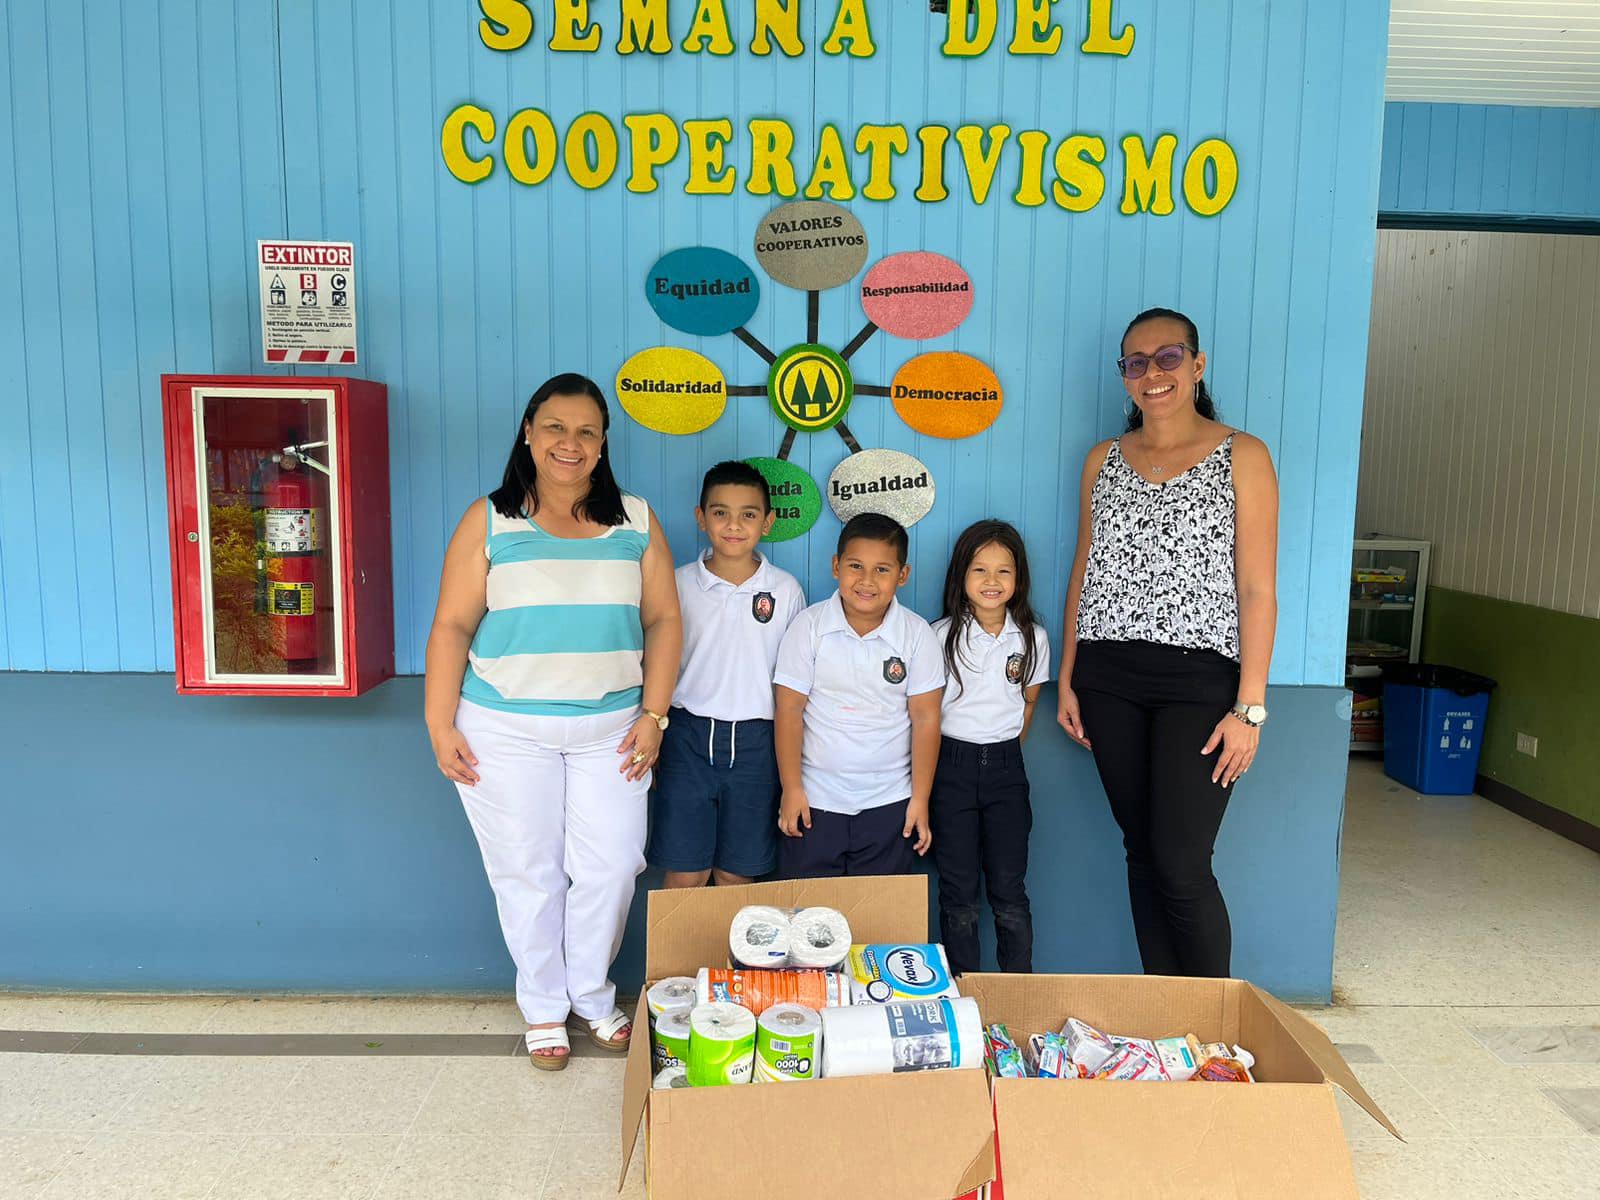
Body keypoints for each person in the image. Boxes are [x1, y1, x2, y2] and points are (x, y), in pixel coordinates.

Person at [424, 373, 683, 1070]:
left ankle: (593, 995)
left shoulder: (635, 520)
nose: (570, 443)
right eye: (556, 428)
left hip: (612, 728)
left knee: (613, 865)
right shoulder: (490, 521)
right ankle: (544, 1008)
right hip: (504, 728)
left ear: (602, 446)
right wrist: (438, 721)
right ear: (530, 435)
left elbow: (663, 620)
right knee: (528, 872)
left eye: (586, 431)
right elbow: (452, 624)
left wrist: (654, 714)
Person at [1057, 307, 1279, 979]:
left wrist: (1250, 709)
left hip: (1201, 680)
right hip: (1107, 675)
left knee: (1182, 862)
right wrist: (1069, 676)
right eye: (1136, 362)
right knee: (1142, 852)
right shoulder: (1103, 460)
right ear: (1124, 375)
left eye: (1168, 357)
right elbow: (1084, 569)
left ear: (1197, 364)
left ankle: (1214, 1026)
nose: (1152, 373)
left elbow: (1257, 590)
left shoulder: (1243, 454)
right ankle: (1165, 1017)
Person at [649, 461, 806, 888]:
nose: (733, 525)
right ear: (700, 518)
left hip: (759, 741)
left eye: (749, 514)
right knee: (686, 871)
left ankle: (732, 959)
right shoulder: (676, 585)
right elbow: (659, 665)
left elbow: (792, 681)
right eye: (720, 512)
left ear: (768, 522)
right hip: (686, 735)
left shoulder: (786, 589)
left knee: (737, 873)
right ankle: (676, 958)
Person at [773, 513, 943, 877]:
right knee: (810, 920)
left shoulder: (916, 635)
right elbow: (788, 709)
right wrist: (791, 789)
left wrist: (920, 799)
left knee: (878, 924)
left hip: (889, 803)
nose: (866, 581)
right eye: (855, 566)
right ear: (836, 566)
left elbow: (926, 718)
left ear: (903, 575)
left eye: (882, 570)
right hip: (814, 801)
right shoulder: (809, 627)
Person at [929, 520, 1050, 975]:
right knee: (958, 894)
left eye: (1004, 571)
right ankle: (965, 996)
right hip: (950, 768)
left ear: (1019, 579)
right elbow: (924, 713)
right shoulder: (939, 635)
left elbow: (1029, 705)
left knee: (1009, 892)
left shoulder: (1032, 638)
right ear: (961, 575)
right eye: (980, 570)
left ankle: (1017, 992)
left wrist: (998, 754)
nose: (992, 581)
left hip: (1005, 769)